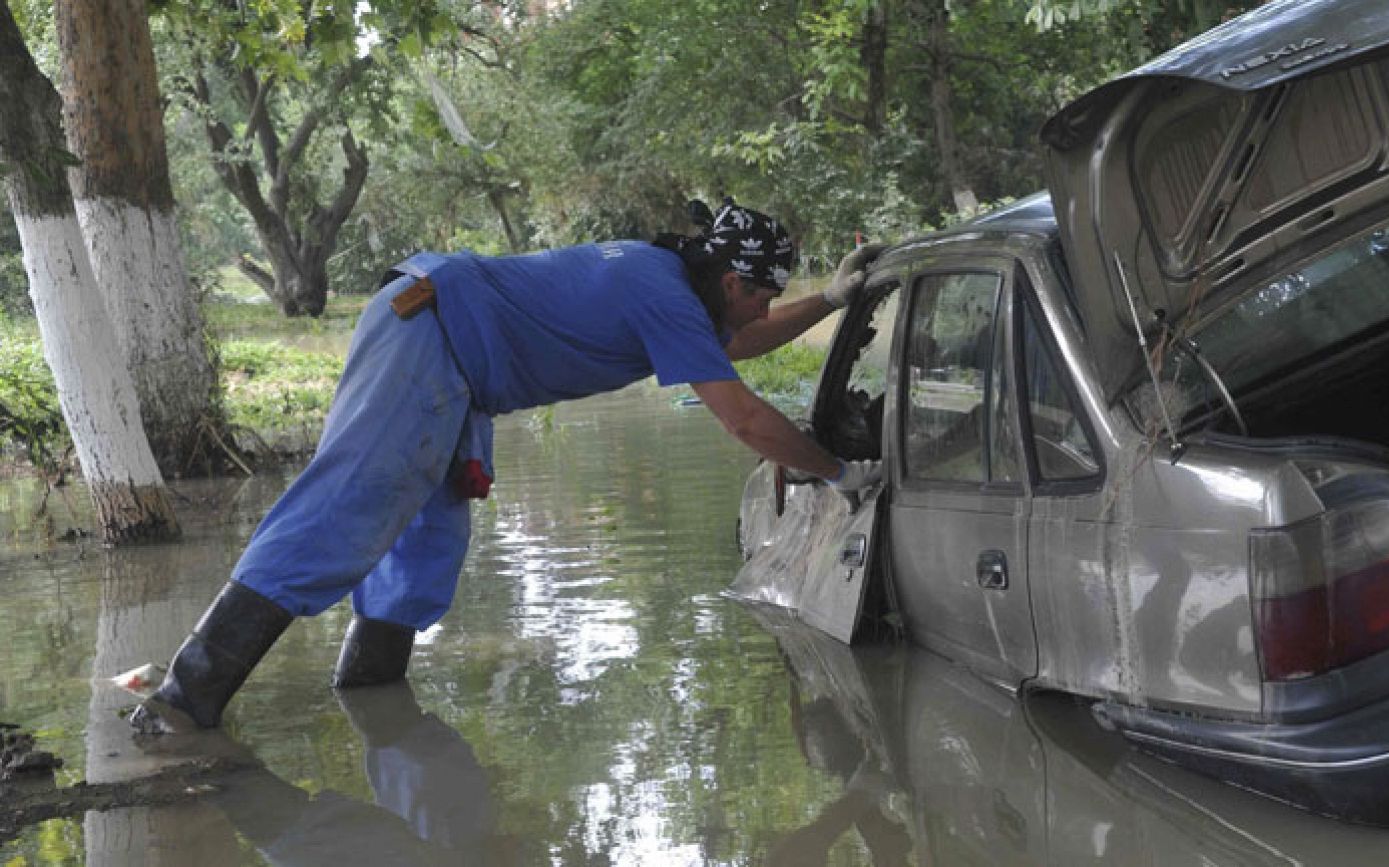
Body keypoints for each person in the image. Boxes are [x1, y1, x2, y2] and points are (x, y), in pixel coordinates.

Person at [130, 200, 884, 733]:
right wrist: (836, 473)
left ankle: (373, 702)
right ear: (731, 281)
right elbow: (745, 416)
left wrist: (831, 298)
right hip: (426, 333)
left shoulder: (674, 288)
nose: (764, 309)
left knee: (426, 546)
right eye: (767, 296)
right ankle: (183, 698)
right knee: (343, 512)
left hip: (456, 363)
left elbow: (733, 344)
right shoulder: (664, 291)